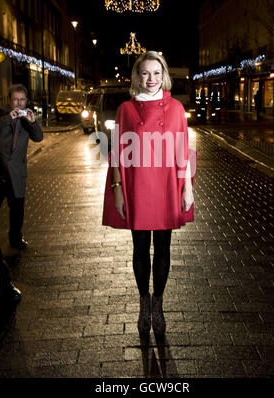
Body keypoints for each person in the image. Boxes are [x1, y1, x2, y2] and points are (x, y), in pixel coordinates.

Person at [102, 51, 197, 336]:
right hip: (137, 187)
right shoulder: (126, 110)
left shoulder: (177, 108)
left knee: (164, 248)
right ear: (137, 76)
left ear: (164, 75)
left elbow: (184, 150)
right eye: (145, 73)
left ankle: (158, 304)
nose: (151, 79)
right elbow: (118, 153)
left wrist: (187, 187)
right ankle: (144, 303)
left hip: (167, 186)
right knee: (140, 247)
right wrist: (118, 190)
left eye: (157, 73)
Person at [0, 84, 43, 305]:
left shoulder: (28, 119)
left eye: (22, 100)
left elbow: (39, 137)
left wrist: (32, 122)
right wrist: (9, 118)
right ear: (10, 100)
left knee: (17, 208)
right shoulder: (1, 116)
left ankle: (15, 237)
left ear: (26, 101)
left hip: (18, 173)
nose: (18, 104)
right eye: (15, 100)